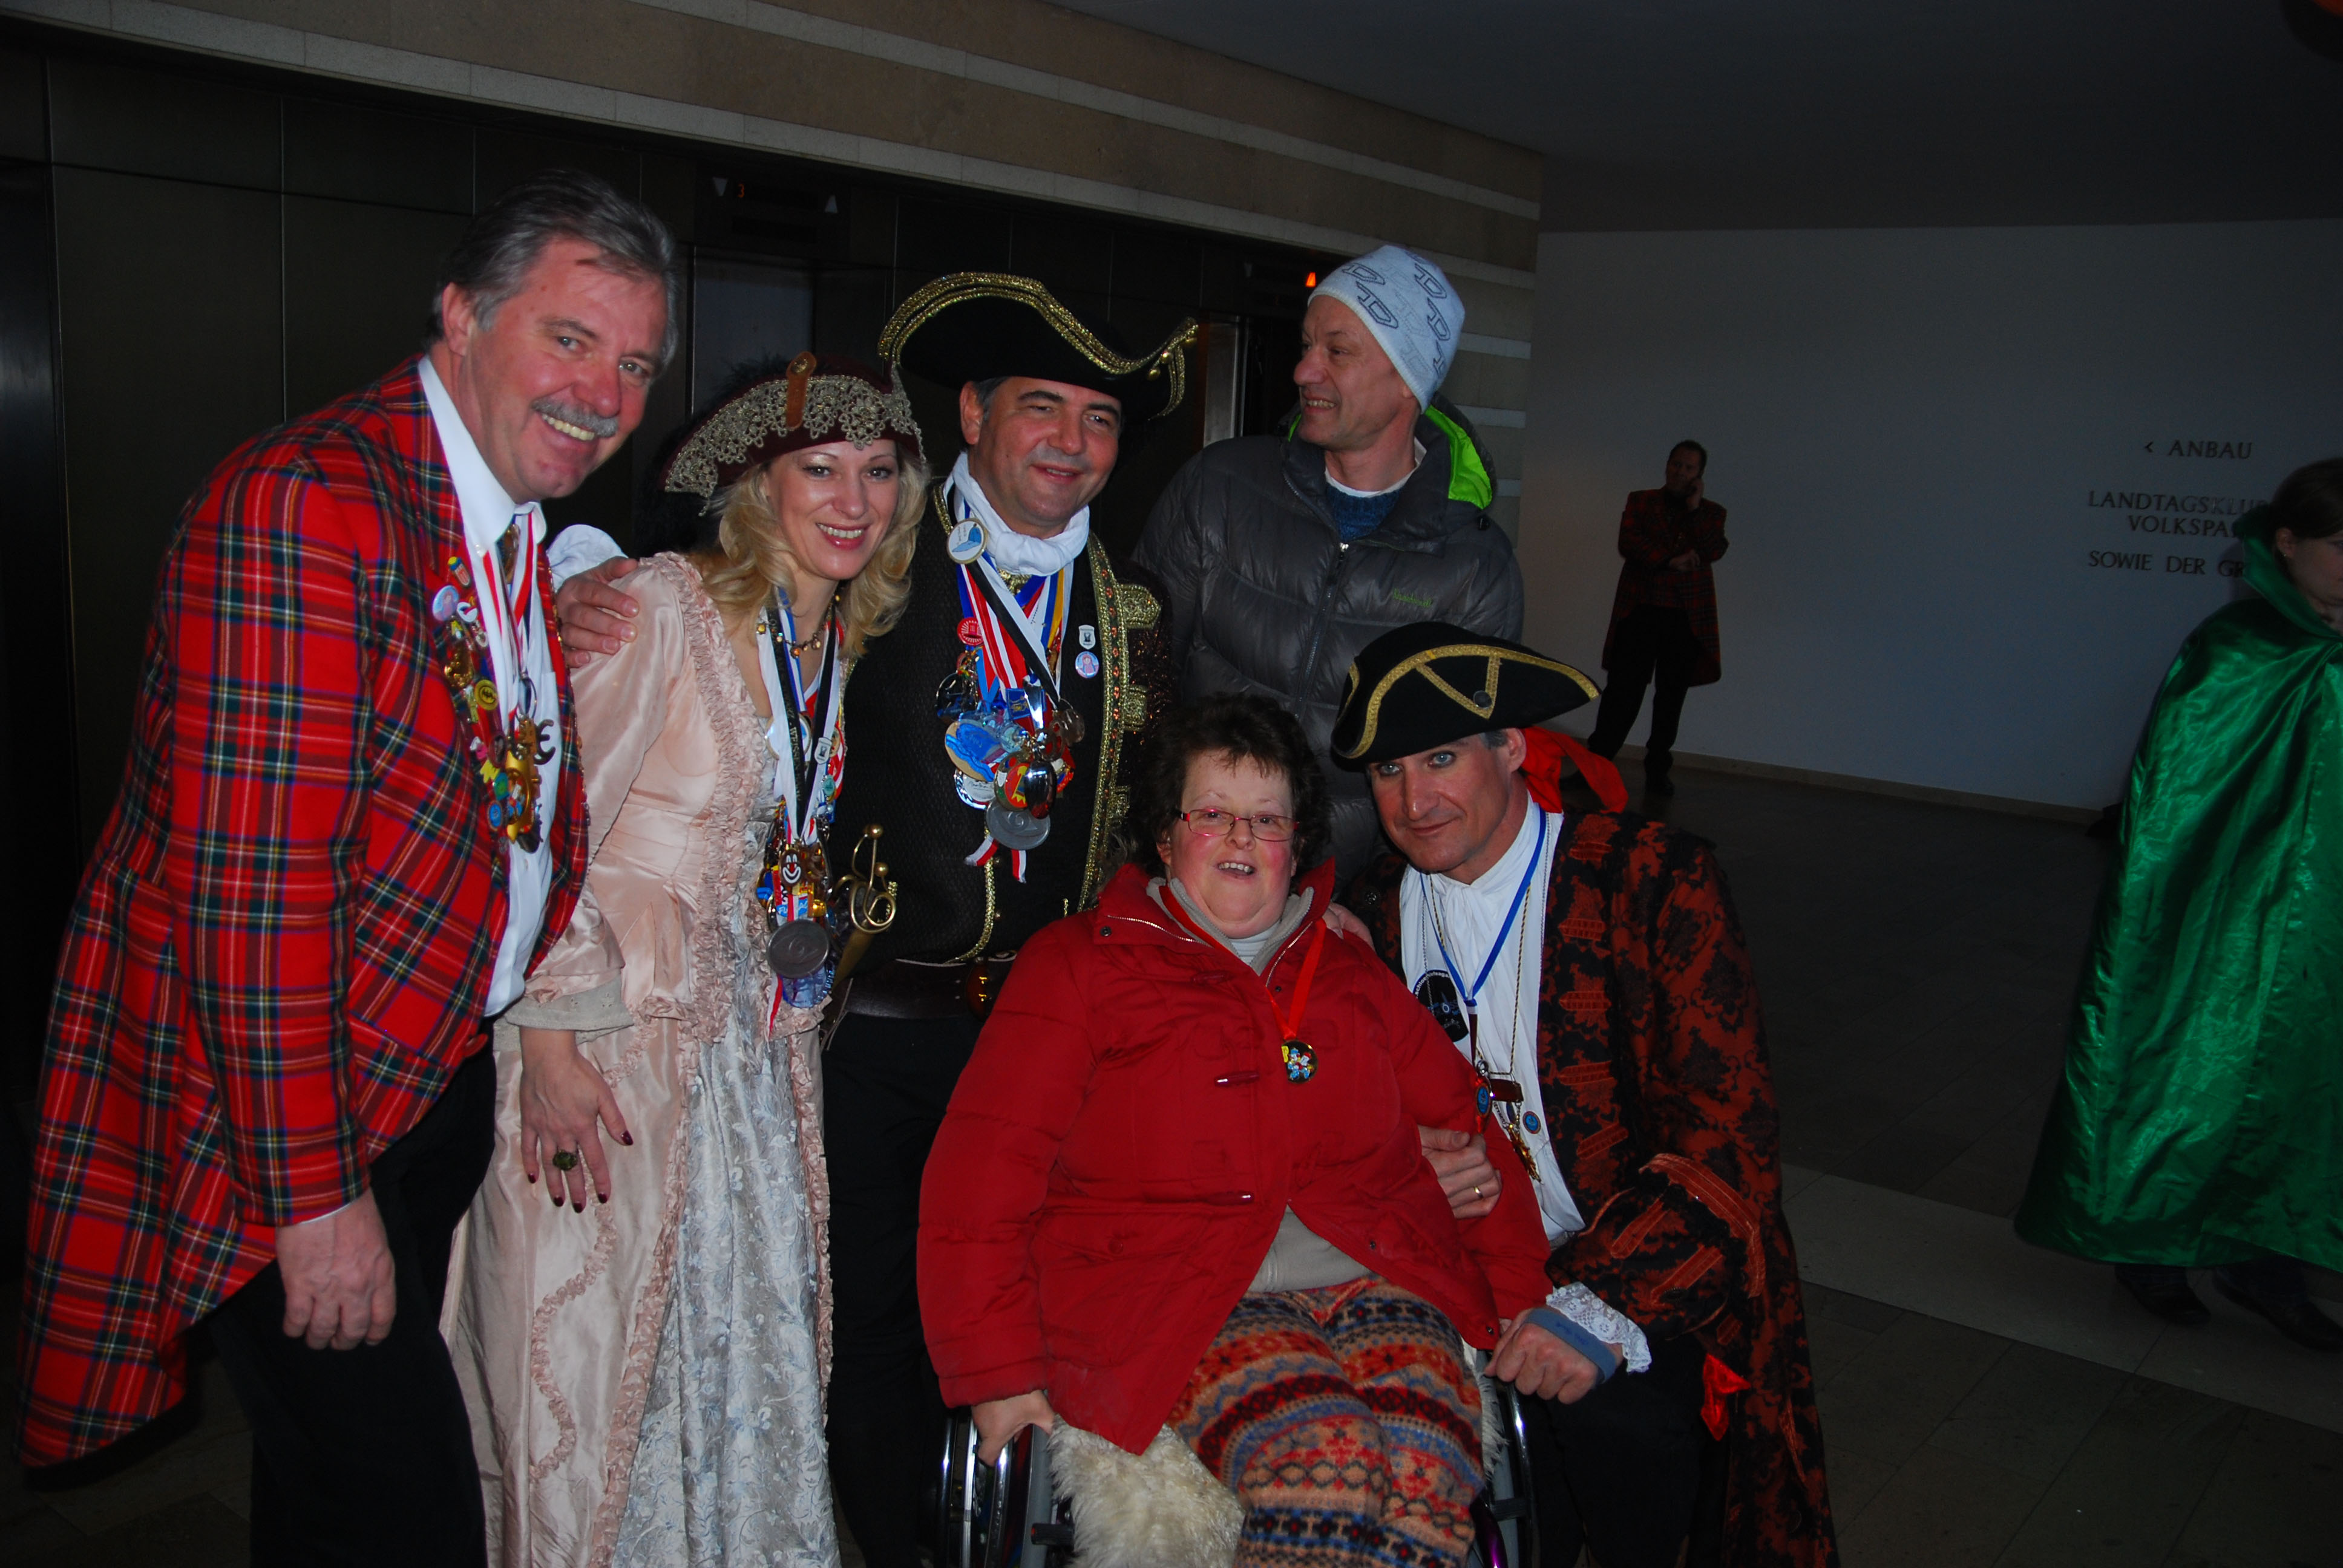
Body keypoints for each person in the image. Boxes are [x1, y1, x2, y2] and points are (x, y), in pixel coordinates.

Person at [16, 169, 677, 1564]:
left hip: (421, 1073)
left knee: (324, 1493)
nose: (602, 394)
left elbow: (458, 763)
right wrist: (313, 1203)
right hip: (292, 1114)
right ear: (461, 314)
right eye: (569, 338)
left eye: (633, 365)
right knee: (409, 1511)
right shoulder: (305, 506)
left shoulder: (496, 516)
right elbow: (252, 903)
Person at [551, 273, 1192, 1567]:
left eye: (1101, 420)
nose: (1072, 442)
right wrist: (567, 581)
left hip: (1044, 1036)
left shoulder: (1135, 610)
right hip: (869, 1030)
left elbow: (1161, 816)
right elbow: (701, 594)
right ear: (972, 415)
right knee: (869, 1325)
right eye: (1041, 407)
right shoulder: (873, 553)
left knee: (1024, 1309)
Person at [443, 354, 929, 1566]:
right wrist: (547, 1040)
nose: (853, 501)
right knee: (607, 1377)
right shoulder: (660, 607)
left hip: (745, 1062)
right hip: (611, 1046)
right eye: (819, 470)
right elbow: (540, 830)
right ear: (760, 487)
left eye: (878, 472)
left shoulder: (828, 638)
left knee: (728, 1357)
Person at [919, 693, 1566, 1568]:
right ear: (1165, 834)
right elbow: (978, 1180)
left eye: (1267, 820)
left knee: (1426, 1467)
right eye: (1212, 814)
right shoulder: (1079, 966)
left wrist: (1518, 1295)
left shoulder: (1349, 973)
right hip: (1172, 1293)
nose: (1240, 839)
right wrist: (995, 1373)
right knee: (1327, 1459)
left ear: (1296, 845)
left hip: (1375, 1280)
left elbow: (1472, 1134)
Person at [1336, 622, 1838, 1568]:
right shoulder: (1371, 910)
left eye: (1441, 759)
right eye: (1388, 772)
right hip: (1466, 1267)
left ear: (1512, 748)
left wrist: (1599, 1302)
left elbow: (1731, 1139)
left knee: (1630, 1445)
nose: (1413, 801)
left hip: (1641, 1263)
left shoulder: (1650, 881)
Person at [2016, 457, 2343, 1353]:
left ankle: (2266, 1264)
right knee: (2185, 1077)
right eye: (2341, 546)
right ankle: (2149, 1251)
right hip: (2220, 922)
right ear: (2287, 544)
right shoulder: (2234, 649)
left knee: (2301, 1094)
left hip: (2320, 933)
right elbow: (2173, 803)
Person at [1136, 244, 1524, 878]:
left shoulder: (1474, 569)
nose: (1304, 371)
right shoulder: (1220, 489)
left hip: (1341, 896)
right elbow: (1138, 676)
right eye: (1306, 345)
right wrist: (1149, 845)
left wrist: (1373, 902)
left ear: (1407, 380)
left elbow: (1453, 778)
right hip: (1194, 870)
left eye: (1337, 352)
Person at [1585, 442, 1729, 798]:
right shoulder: (1641, 501)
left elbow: (1713, 548)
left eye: (1689, 468)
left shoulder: (1711, 513)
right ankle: (1595, 768)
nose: (1681, 472)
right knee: (1622, 693)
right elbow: (1630, 542)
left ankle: (1657, 771)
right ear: (1667, 465)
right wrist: (1670, 561)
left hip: (1684, 618)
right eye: (1677, 464)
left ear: (1699, 475)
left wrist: (1694, 510)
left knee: (1670, 698)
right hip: (1640, 611)